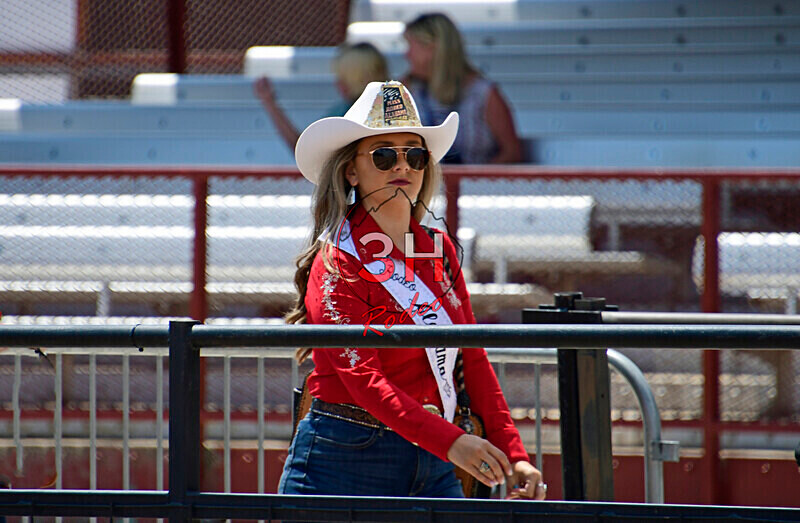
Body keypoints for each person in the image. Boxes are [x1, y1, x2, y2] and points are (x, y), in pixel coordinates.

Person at [277, 80, 545, 499]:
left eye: (415, 155)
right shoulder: (338, 261)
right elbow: (363, 379)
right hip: (346, 459)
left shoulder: (439, 251)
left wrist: (514, 453)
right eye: (384, 155)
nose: (402, 165)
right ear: (351, 170)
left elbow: (472, 355)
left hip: (435, 452)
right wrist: (451, 442)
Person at [403, 12, 523, 164]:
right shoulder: (407, 92)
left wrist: (473, 176)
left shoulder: (483, 94)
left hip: (474, 177)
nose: (406, 55)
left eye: (411, 46)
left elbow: (512, 153)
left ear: (433, 49)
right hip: (424, 178)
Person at [254, 42, 389, 150]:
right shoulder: (396, 106)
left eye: (344, 78)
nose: (338, 83)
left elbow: (303, 148)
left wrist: (270, 103)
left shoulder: (344, 115)